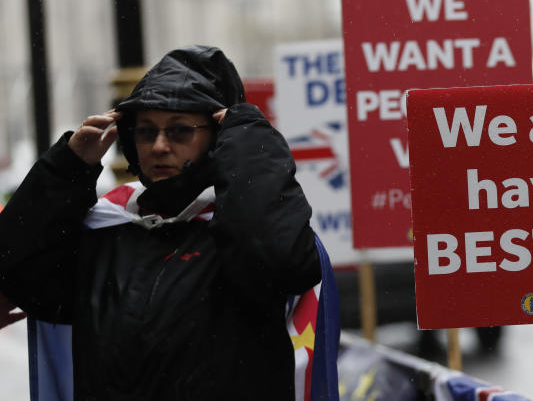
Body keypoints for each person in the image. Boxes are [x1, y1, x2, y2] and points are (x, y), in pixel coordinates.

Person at [0, 45, 339, 401]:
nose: (160, 146)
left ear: (218, 138)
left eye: (180, 131)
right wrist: (67, 168)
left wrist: (248, 139)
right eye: (146, 132)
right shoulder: (106, 230)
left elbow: (281, 261)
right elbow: (17, 273)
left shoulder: (243, 230)